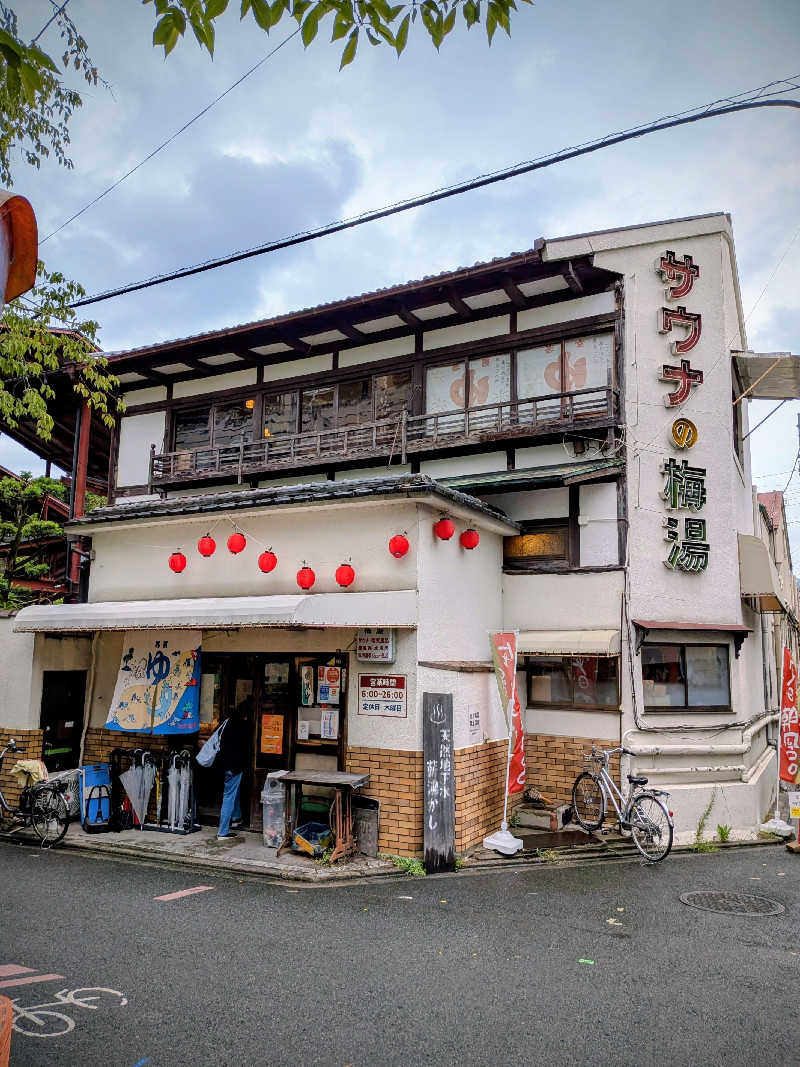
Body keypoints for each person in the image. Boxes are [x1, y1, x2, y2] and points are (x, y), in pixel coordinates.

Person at [217, 698, 251, 839]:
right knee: (229, 796)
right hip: (235, 767)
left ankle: (236, 818)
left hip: (225, 765)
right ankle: (222, 832)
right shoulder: (243, 726)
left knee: (233, 791)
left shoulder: (228, 722)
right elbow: (245, 748)